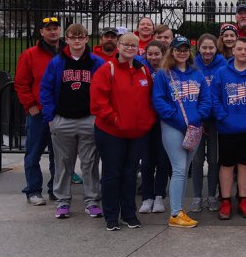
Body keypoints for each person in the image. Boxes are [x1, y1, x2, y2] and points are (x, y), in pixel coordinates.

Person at [91, 32, 157, 231]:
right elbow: (99, 102)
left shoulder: (143, 71)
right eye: (126, 45)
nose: (130, 48)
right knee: (112, 173)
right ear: (118, 46)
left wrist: (147, 122)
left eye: (133, 46)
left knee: (130, 174)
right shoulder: (106, 70)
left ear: (138, 49)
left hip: (136, 133)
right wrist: (115, 119)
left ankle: (129, 213)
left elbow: (150, 101)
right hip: (111, 132)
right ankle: (111, 215)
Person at [39, 23, 105, 219]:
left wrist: (98, 115)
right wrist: (50, 117)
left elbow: (103, 90)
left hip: (88, 119)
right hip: (63, 119)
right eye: (73, 37)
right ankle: (62, 201)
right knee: (63, 163)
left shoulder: (96, 62)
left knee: (90, 163)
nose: (77, 41)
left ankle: (92, 201)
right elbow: (46, 89)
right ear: (66, 39)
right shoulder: (57, 62)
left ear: (86, 39)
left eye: (81, 37)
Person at [152, 36, 212, 228]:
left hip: (194, 127)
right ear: (172, 51)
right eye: (178, 49)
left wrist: (198, 117)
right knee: (178, 168)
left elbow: (205, 99)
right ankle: (175, 213)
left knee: (184, 168)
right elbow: (159, 100)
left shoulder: (197, 73)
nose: (182, 52)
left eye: (185, 49)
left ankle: (179, 209)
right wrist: (176, 118)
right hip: (172, 125)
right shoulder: (164, 73)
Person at [15, 15, 62, 205]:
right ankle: (33, 190)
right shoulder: (30, 54)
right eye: (48, 29)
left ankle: (55, 189)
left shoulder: (67, 53)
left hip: (61, 113)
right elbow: (21, 83)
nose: (52, 31)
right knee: (33, 153)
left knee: (58, 155)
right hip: (39, 113)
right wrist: (31, 106)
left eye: (55, 28)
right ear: (42, 32)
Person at [212, 36, 246, 219]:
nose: (242, 52)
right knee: (226, 165)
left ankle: (243, 199)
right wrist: (222, 116)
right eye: (239, 49)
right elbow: (214, 98)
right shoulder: (222, 72)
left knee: (245, 165)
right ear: (233, 51)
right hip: (227, 128)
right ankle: (225, 201)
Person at [191, 33, 225, 213]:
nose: (207, 51)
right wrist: (197, 117)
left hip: (215, 121)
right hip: (196, 120)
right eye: (204, 47)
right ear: (199, 48)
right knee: (196, 161)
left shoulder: (223, 65)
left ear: (215, 48)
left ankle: (212, 195)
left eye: (211, 47)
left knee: (214, 160)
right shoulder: (192, 65)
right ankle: (197, 196)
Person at [137, 41, 169, 214]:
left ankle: (159, 196)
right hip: (146, 121)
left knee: (163, 161)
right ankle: (147, 197)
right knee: (147, 160)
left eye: (157, 54)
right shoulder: (140, 69)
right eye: (150, 54)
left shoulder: (168, 70)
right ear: (146, 55)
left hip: (164, 121)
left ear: (163, 54)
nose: (154, 57)